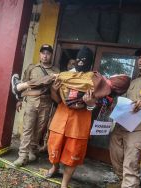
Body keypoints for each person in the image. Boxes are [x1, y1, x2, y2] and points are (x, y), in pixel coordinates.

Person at [109, 46, 141, 188]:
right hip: (122, 124)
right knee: (116, 156)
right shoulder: (135, 80)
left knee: (130, 163)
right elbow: (125, 99)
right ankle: (125, 183)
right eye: (140, 57)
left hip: (139, 128)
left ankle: (130, 184)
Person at [45, 46, 96, 188]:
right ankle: (55, 168)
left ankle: (64, 183)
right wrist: (54, 90)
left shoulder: (94, 80)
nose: (81, 62)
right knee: (54, 147)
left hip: (79, 124)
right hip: (60, 119)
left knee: (73, 154)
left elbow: (95, 105)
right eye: (79, 59)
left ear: (90, 62)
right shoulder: (66, 76)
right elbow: (57, 100)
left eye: (85, 60)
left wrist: (90, 102)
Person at [13, 44, 59, 167]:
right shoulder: (32, 68)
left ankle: (32, 150)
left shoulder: (56, 72)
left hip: (46, 103)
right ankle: (22, 156)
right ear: (40, 54)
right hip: (31, 101)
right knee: (27, 128)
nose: (45, 55)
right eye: (43, 53)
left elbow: (57, 90)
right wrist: (19, 100)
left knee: (39, 129)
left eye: (48, 53)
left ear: (51, 55)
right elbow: (24, 84)